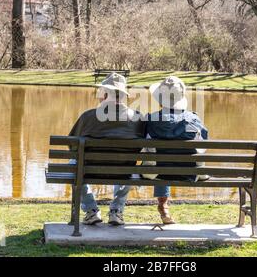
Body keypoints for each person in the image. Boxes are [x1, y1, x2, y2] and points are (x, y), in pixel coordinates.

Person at [68, 73, 145, 226]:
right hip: (124, 171)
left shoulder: (88, 116)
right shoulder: (138, 118)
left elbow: (72, 146)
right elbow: (141, 147)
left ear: (104, 94)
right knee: (130, 165)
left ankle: (91, 211)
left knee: (73, 163)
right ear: (122, 96)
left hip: (90, 170)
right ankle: (116, 211)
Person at [143, 76, 209, 225]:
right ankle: (163, 206)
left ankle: (163, 205)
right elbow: (203, 146)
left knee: (158, 159)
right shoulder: (194, 119)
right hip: (189, 172)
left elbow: (141, 145)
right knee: (165, 158)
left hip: (155, 173)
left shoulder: (150, 119)